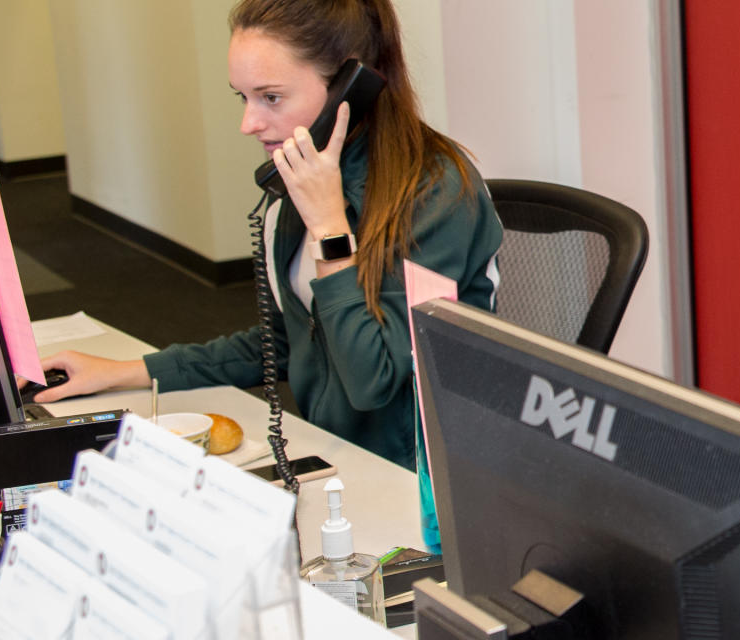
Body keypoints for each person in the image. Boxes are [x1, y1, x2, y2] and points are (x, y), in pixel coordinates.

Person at [34, 0, 501, 551]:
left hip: (425, 495)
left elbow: (373, 378)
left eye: (271, 98)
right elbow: (286, 338)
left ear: (352, 87)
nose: (249, 123)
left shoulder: (435, 191)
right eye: (244, 97)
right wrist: (124, 371)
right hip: (337, 463)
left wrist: (330, 228)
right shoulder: (299, 188)